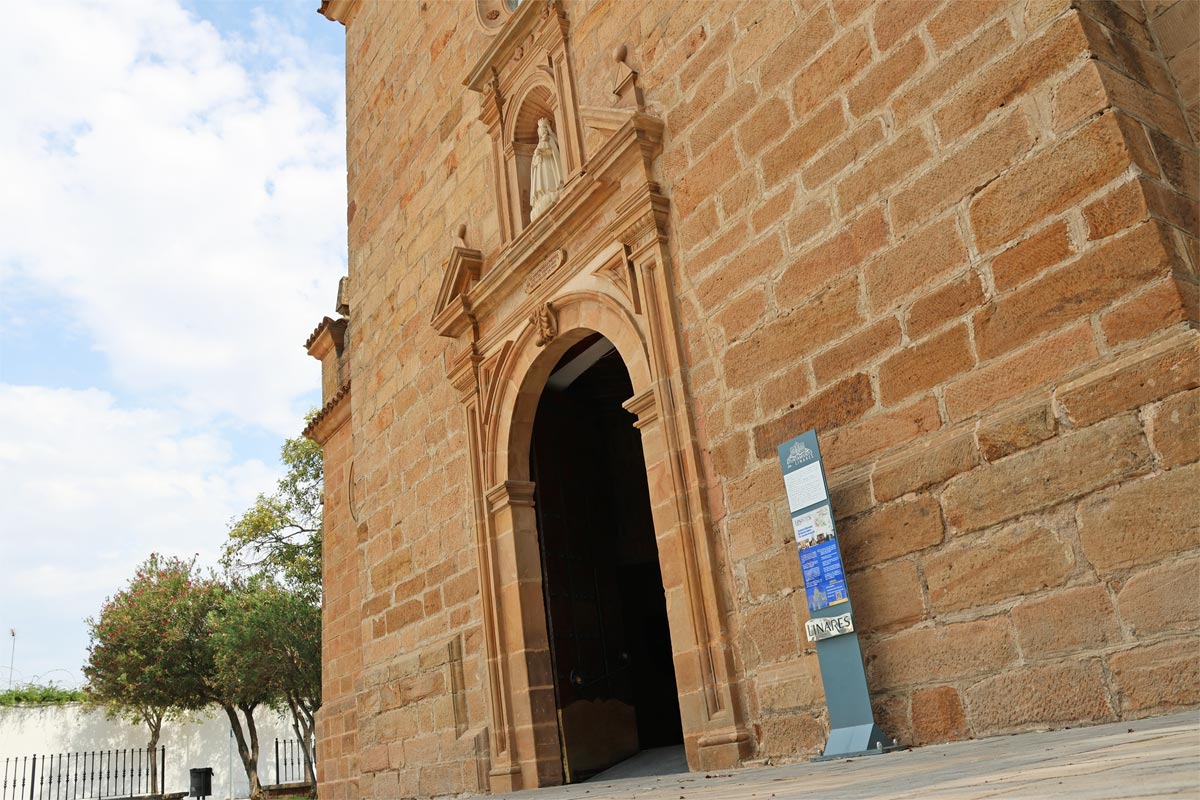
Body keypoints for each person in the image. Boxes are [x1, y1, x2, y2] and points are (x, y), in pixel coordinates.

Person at [529, 117, 563, 221]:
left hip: (549, 165)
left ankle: (552, 190)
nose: (541, 131)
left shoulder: (550, 139)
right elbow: (534, 165)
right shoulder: (539, 144)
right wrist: (536, 156)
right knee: (541, 181)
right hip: (540, 167)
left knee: (549, 179)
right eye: (540, 129)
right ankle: (541, 195)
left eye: (543, 128)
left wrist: (541, 152)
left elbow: (553, 153)